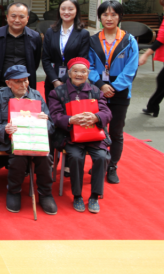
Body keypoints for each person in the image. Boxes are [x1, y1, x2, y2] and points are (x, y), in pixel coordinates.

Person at [0, 65, 58, 215]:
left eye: (25, 80)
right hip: (10, 140)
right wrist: (4, 129)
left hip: (35, 140)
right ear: (8, 83)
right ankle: (14, 191)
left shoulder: (36, 96)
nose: (23, 85)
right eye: (18, 81)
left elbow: (51, 126)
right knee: (18, 156)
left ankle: (45, 193)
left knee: (45, 157)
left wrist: (45, 121)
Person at [48, 58, 112, 214]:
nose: (79, 74)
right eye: (75, 71)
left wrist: (96, 117)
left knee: (102, 157)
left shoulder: (96, 91)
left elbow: (107, 112)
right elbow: (54, 116)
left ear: (88, 74)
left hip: (94, 135)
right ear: (69, 73)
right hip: (70, 135)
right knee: (76, 157)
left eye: (83, 71)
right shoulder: (57, 92)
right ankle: (77, 195)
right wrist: (70, 120)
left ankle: (95, 196)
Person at [88, 0, 139, 184]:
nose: (109, 18)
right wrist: (101, 85)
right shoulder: (93, 40)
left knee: (116, 131)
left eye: (113, 14)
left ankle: (112, 166)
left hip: (121, 92)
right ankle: (98, 163)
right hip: (98, 90)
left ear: (120, 16)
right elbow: (89, 66)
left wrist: (115, 87)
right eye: (105, 14)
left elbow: (131, 69)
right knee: (97, 130)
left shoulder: (129, 40)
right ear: (99, 17)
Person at [42, 0, 91, 94]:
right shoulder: (50, 32)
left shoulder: (83, 34)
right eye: (63, 9)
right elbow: (45, 59)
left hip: (74, 82)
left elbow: (81, 60)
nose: (66, 12)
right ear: (59, 10)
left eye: (70, 9)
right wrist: (55, 81)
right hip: (52, 82)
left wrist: (65, 80)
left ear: (76, 11)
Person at [0, 3, 43, 90]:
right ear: (7, 17)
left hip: (25, 85)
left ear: (27, 18)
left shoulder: (35, 37)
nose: (17, 20)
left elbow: (35, 62)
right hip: (1, 83)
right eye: (13, 16)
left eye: (21, 17)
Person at [140, 0, 164, 118]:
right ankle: (152, 106)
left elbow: (160, 40)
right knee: (162, 81)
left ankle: (152, 106)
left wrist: (146, 54)